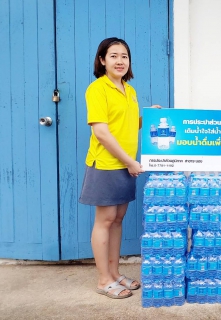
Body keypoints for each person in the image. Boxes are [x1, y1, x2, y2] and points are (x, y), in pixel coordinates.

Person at [79, 37, 160, 299]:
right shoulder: (97, 89)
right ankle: (104, 280)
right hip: (106, 164)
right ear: (102, 60)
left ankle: (115, 274)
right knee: (104, 220)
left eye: (124, 56)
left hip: (127, 164)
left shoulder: (129, 90)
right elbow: (102, 132)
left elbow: (126, 125)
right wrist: (129, 161)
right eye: (113, 56)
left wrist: (147, 118)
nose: (120, 61)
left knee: (117, 220)